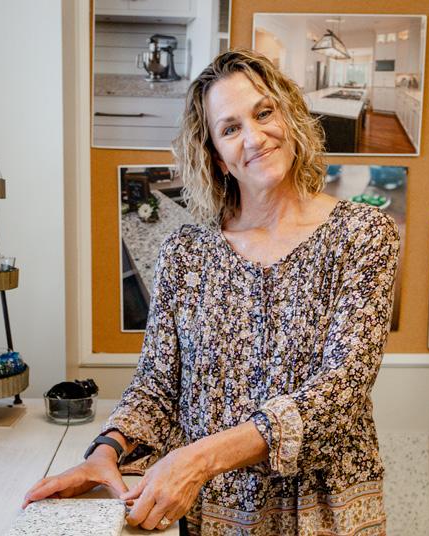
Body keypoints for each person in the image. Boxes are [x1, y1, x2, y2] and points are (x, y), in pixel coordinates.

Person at [23, 49, 399, 535]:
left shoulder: (363, 233)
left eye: (264, 113)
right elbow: (157, 384)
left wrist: (197, 459)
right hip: (215, 514)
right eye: (230, 128)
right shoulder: (186, 252)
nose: (255, 137)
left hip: (325, 511)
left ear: (289, 116)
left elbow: (341, 391)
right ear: (217, 156)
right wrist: (106, 450)